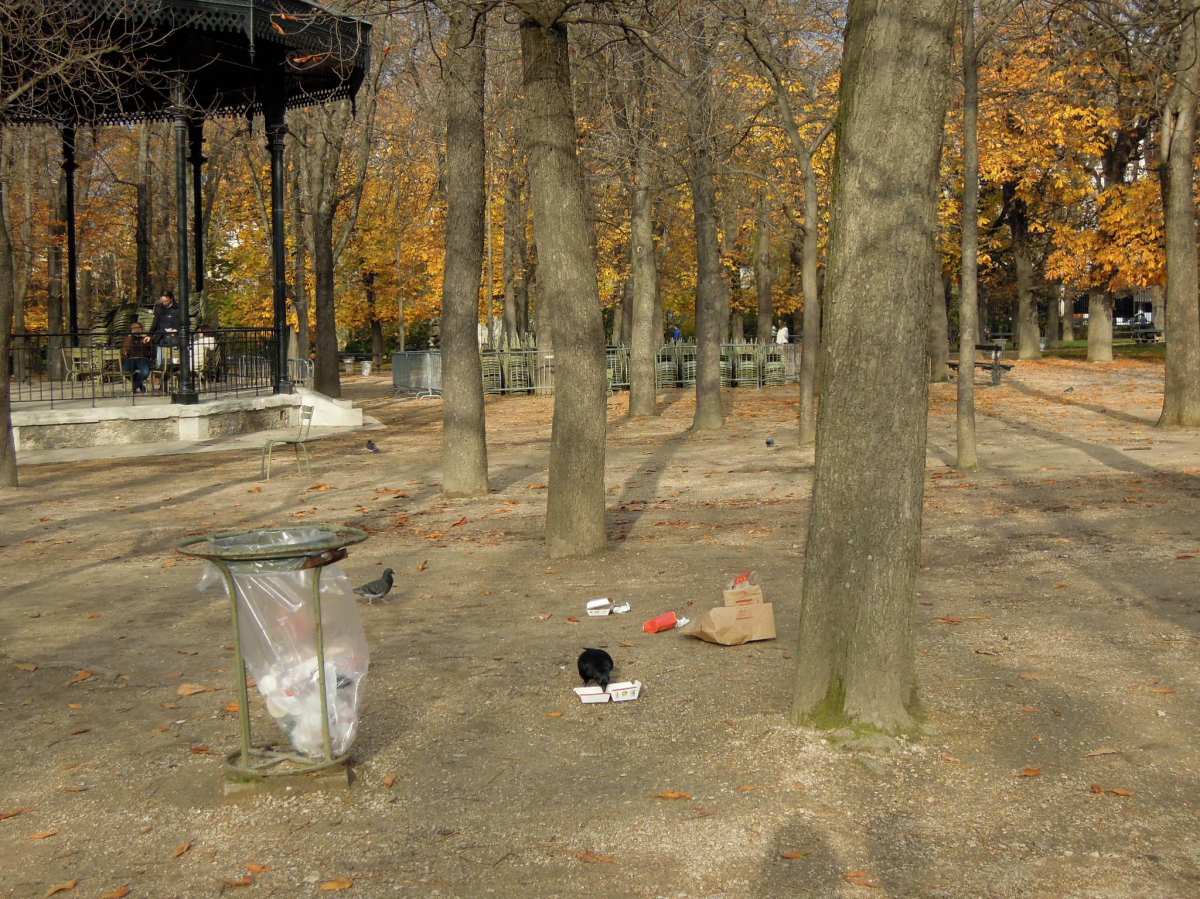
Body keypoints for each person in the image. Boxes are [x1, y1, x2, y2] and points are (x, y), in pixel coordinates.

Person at [150, 290, 181, 367]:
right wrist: (149, 334)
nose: (164, 303)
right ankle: (160, 367)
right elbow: (155, 322)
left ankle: (173, 368)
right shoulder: (158, 308)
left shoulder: (178, 308)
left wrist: (176, 330)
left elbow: (184, 322)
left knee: (173, 360)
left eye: (166, 301)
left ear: (171, 299)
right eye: (162, 301)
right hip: (161, 336)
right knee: (160, 360)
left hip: (174, 337)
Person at [122, 321, 154, 393]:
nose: (135, 330)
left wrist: (145, 340)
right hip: (131, 359)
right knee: (125, 371)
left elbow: (150, 348)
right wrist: (130, 338)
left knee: (145, 372)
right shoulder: (128, 338)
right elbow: (124, 351)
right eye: (133, 328)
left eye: (137, 328)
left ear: (141, 329)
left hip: (143, 359)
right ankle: (140, 385)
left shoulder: (145, 338)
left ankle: (135, 385)